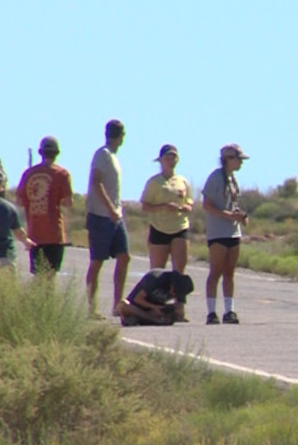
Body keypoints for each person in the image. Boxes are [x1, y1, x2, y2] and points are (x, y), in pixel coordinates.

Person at [85, 119, 130, 316]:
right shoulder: (102, 154)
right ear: (120, 137)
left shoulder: (113, 156)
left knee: (124, 256)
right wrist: (110, 208)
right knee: (97, 261)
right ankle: (91, 307)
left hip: (115, 216)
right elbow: (96, 182)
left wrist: (116, 210)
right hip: (101, 216)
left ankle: (117, 304)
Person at [201, 143, 250, 324]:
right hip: (218, 233)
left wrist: (240, 216)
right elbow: (206, 204)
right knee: (216, 272)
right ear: (228, 159)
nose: (241, 163)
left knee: (230, 272)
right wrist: (226, 215)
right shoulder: (215, 177)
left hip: (233, 232)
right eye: (238, 159)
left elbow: (233, 203)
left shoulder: (232, 179)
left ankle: (229, 311)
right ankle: (211, 312)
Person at [16, 135, 74, 276]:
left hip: (35, 232)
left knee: (38, 277)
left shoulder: (29, 173)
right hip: (54, 234)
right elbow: (68, 202)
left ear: (40, 152)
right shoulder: (62, 174)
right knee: (50, 276)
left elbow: (19, 201)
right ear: (57, 153)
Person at [140, 144, 193, 276]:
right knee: (157, 273)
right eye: (168, 157)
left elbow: (189, 202)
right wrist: (164, 207)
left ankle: (179, 295)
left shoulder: (182, 181)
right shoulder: (154, 182)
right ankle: (154, 296)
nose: (171, 160)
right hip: (159, 228)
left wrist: (186, 207)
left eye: (174, 157)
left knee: (179, 273)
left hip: (180, 227)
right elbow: (145, 206)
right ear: (161, 160)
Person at [117, 269, 195, 327]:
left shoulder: (180, 288)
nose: (173, 295)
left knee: (172, 313)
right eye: (174, 292)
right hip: (137, 307)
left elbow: (180, 310)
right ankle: (155, 321)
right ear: (172, 284)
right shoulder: (155, 279)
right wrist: (156, 307)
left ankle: (151, 319)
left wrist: (172, 310)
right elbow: (137, 299)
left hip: (155, 311)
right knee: (123, 305)